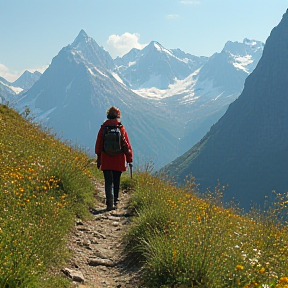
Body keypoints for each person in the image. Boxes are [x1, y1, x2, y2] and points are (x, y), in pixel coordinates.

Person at [95, 106, 133, 211]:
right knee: (117, 180)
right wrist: (129, 158)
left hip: (106, 158)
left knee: (108, 181)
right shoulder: (121, 128)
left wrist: (99, 157)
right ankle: (115, 200)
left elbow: (99, 144)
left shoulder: (103, 128)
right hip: (119, 159)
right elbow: (126, 145)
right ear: (118, 116)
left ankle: (109, 202)